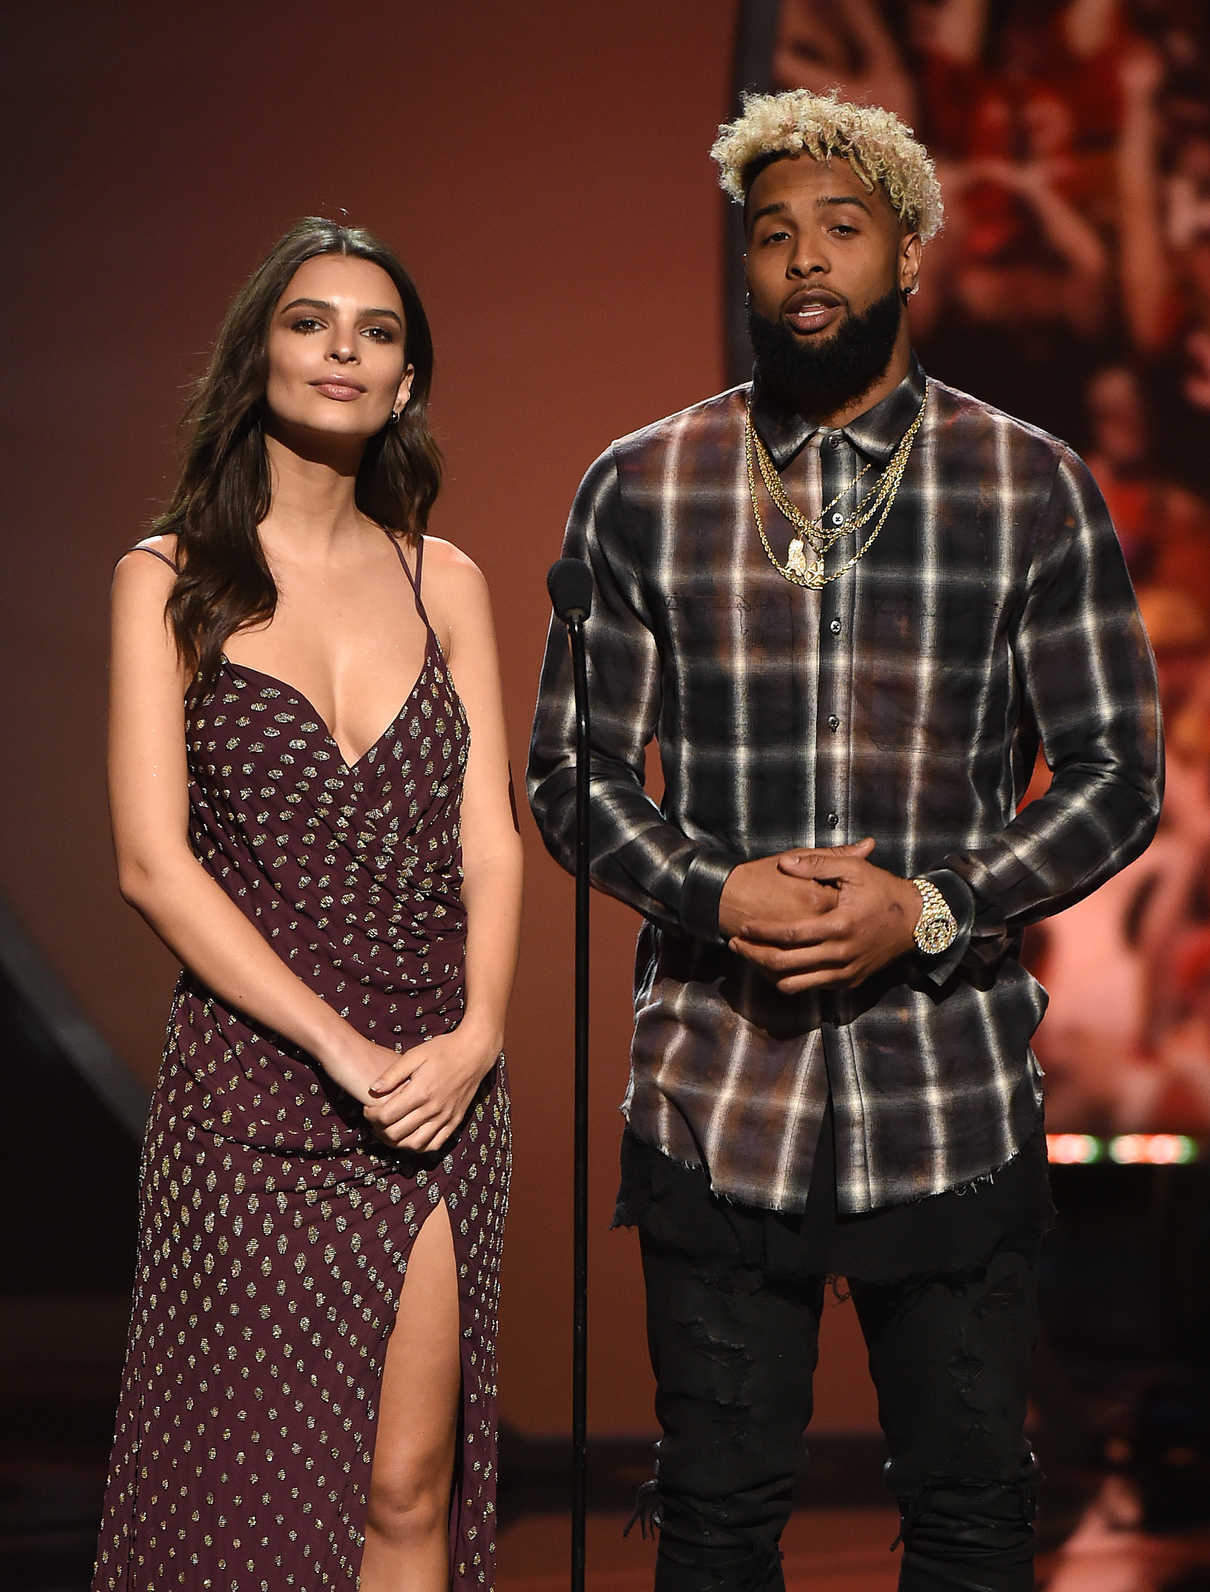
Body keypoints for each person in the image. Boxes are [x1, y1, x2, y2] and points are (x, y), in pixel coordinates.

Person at [528, 91, 1162, 1592]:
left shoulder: (1027, 484)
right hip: (716, 1085)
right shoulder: (641, 485)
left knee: (966, 1518)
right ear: (743, 270)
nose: (804, 260)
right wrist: (711, 883)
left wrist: (931, 909)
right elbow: (570, 771)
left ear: (908, 252)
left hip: (943, 1090)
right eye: (771, 236)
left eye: (841, 227)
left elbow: (1119, 771)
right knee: (717, 1519)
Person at [94, 218, 522, 1592]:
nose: (344, 345)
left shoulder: (441, 579)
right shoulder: (164, 580)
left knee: (408, 1481)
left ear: (404, 384)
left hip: (440, 1090)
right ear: (256, 359)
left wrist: (472, 1042)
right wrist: (338, 1049)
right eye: (310, 319)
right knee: (245, 1492)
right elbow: (154, 864)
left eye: (378, 330)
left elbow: (493, 847)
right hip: (256, 1087)